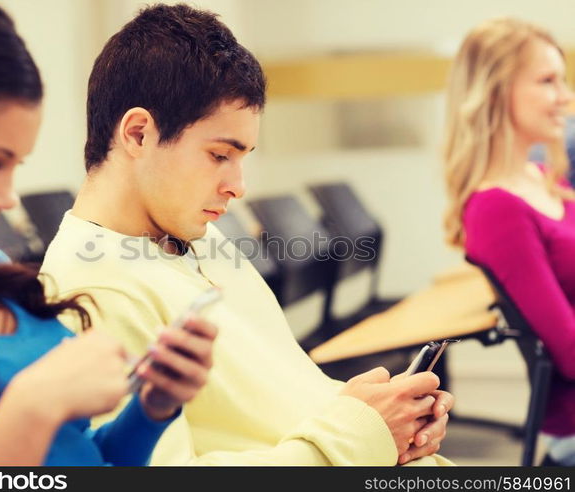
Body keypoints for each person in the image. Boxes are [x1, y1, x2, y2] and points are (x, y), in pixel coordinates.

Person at [41, 3, 454, 466]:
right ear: (138, 135)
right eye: (220, 155)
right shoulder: (89, 289)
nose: (238, 186)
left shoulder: (196, 235)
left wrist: (377, 415)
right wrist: (359, 437)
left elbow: (279, 394)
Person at [0, 0, 215, 466]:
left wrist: (150, 409)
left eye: (14, 167)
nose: (6, 196)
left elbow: (79, 459)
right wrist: (34, 406)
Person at [443, 18, 575, 466]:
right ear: (496, 92)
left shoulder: (541, 180)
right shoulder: (497, 208)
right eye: (547, 81)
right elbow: (570, 352)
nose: (565, 96)